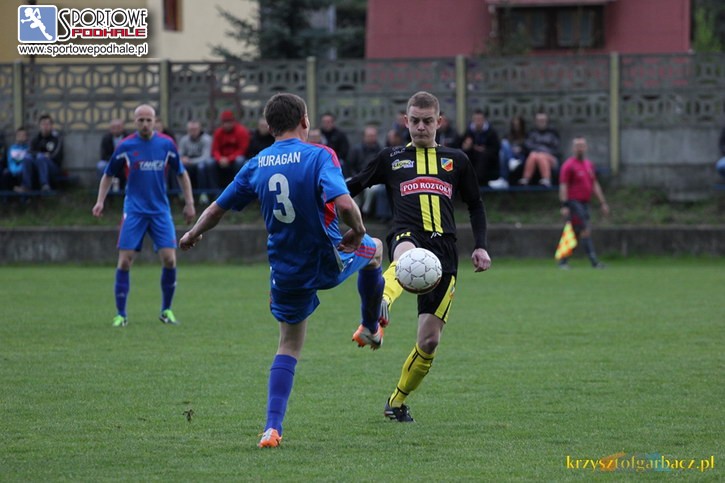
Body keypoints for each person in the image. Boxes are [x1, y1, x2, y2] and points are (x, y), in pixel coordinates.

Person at [179, 93, 386, 448]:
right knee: (377, 249)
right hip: (327, 257)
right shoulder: (320, 155)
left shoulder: (257, 163)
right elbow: (344, 203)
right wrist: (359, 230)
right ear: (305, 120)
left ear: (269, 126)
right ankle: (369, 327)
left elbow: (216, 209)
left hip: (285, 269)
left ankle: (271, 429)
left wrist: (193, 233)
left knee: (288, 345)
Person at [347, 91, 492, 422]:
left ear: (439, 122)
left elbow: (476, 204)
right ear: (405, 121)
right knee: (407, 257)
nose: (421, 127)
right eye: (415, 121)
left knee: (429, 341)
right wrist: (321, 194)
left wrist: (481, 245)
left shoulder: (457, 159)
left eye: (428, 121)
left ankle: (396, 402)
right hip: (407, 234)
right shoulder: (391, 157)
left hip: (445, 252)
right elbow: (354, 185)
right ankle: (379, 307)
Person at [92, 104, 195, 328]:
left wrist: (189, 203)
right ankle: (121, 315)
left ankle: (166, 311)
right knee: (125, 261)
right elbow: (108, 174)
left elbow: (181, 173)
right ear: (135, 122)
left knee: (170, 259)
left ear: (155, 121)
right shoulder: (126, 145)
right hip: (134, 211)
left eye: (149, 120)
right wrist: (100, 201)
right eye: (141, 120)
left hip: (160, 211)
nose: (145, 124)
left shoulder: (166, 144)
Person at [558, 137, 609, 269]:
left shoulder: (589, 165)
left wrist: (602, 202)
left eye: (582, 146)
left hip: (585, 203)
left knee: (575, 232)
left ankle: (563, 261)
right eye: (577, 146)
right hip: (574, 203)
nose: (580, 148)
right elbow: (563, 186)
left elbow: (594, 184)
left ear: (586, 148)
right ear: (573, 148)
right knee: (585, 229)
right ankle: (594, 261)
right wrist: (564, 205)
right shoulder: (568, 166)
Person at [347, 125, 390, 222]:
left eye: (373, 135)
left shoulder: (381, 150)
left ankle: (365, 211)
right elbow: (350, 165)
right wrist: (356, 177)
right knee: (349, 184)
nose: (371, 138)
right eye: (369, 135)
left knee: (371, 189)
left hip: (373, 179)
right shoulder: (355, 149)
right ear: (364, 136)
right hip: (357, 176)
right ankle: (355, 210)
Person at [17, 114, 63, 192]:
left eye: (48, 124)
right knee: (27, 158)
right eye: (43, 124)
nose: (45, 126)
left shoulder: (56, 139)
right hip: (37, 165)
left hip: (53, 167)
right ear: (39, 126)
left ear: (51, 126)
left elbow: (57, 155)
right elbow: (29, 152)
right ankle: (26, 186)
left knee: (41, 157)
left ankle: (44, 185)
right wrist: (41, 155)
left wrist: (45, 156)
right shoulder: (36, 139)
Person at [177, 120, 215, 204]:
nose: (193, 131)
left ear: (200, 129)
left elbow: (206, 157)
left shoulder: (206, 139)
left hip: (201, 163)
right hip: (188, 163)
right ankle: (182, 193)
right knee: (179, 166)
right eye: (191, 129)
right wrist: (182, 159)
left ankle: (203, 194)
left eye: (195, 129)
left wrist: (190, 161)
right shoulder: (184, 140)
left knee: (201, 167)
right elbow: (179, 154)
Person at [519, 112, 560, 187]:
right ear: (535, 121)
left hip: (551, 158)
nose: (541, 122)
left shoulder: (553, 133)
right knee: (533, 155)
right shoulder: (531, 133)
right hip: (534, 157)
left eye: (543, 120)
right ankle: (526, 179)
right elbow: (527, 146)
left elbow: (555, 149)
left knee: (541, 156)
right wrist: (541, 150)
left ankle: (546, 179)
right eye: (539, 120)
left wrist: (541, 151)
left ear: (547, 121)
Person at [461, 109, 501, 185]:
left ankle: (477, 181)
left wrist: (484, 150)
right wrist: (466, 147)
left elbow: (496, 148)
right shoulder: (468, 132)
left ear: (484, 120)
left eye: (480, 119)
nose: (478, 122)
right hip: (472, 156)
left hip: (487, 159)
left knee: (483, 157)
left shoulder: (491, 133)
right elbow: (459, 145)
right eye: (476, 119)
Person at [212, 110, 250, 187]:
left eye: (229, 122)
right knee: (209, 163)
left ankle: (238, 187)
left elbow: (242, 150)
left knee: (240, 161)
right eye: (225, 122)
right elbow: (215, 149)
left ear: (233, 121)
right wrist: (219, 159)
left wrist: (229, 159)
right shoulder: (218, 132)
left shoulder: (241, 131)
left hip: (235, 159)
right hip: (221, 159)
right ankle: (213, 191)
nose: (227, 124)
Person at [489, 115, 527, 189]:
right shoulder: (509, 136)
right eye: (514, 125)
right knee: (503, 148)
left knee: (504, 149)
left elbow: (529, 148)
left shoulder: (526, 135)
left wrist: (520, 149)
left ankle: (504, 179)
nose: (516, 126)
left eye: (518, 124)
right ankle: (510, 162)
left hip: (521, 157)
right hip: (511, 157)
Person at [96, 119, 129, 192]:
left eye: (118, 127)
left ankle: (127, 189)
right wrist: (114, 161)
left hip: (125, 162)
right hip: (110, 161)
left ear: (123, 127)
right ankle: (105, 189)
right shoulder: (106, 138)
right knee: (100, 165)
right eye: (114, 127)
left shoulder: (128, 137)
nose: (116, 129)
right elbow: (104, 155)